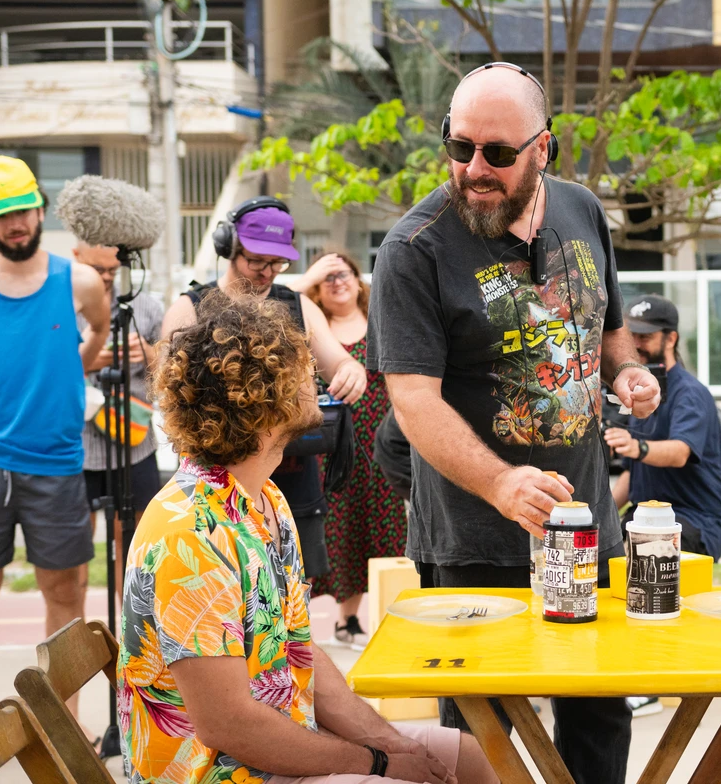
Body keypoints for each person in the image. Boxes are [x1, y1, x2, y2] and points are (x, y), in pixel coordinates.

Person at [367, 61, 660, 784]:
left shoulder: (583, 209)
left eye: (497, 153)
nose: (473, 168)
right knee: (479, 737)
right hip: (472, 540)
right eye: (458, 146)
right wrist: (501, 484)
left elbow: (609, 326)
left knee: (597, 714)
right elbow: (414, 402)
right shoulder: (413, 249)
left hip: (589, 524)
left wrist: (627, 371)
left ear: (543, 148)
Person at [120, 289, 497, 784]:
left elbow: (298, 651)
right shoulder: (189, 534)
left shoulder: (264, 499)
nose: (314, 377)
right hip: (221, 772)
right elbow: (229, 726)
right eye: (300, 370)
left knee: (464, 756)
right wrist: (377, 763)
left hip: (277, 743)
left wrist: (390, 743)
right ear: (262, 398)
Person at [161, 200, 368, 581]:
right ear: (229, 247)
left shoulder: (297, 305)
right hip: (218, 477)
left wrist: (351, 370)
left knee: (293, 597)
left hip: (292, 476)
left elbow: (340, 360)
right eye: (256, 261)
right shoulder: (189, 309)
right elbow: (172, 401)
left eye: (278, 263)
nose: (267, 272)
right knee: (222, 589)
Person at [0, 157, 109, 721]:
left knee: (65, 599)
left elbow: (99, 330)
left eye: (21, 210)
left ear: (39, 209)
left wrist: (72, 372)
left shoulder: (81, 280)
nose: (14, 224)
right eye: (2, 216)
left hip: (57, 462)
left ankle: (62, 728)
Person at [288, 250, 407, 650]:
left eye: (345, 274)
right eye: (328, 278)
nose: (338, 282)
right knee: (344, 530)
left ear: (359, 281)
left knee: (389, 528)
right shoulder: (311, 329)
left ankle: (395, 615)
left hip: (383, 443)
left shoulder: (383, 321)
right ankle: (347, 619)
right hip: (333, 449)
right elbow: (274, 306)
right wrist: (305, 282)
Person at [605, 293, 721, 560]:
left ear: (671, 339)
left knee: (643, 555)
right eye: (632, 336)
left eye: (645, 337)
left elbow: (680, 452)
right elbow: (631, 474)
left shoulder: (690, 394)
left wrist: (636, 446)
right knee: (597, 551)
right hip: (644, 518)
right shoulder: (642, 388)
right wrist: (599, 516)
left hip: (694, 520)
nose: (636, 345)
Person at [74, 240, 164, 597]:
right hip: (73, 444)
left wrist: (151, 353)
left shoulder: (144, 307)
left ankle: (129, 644)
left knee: (135, 553)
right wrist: (83, 359)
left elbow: (173, 374)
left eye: (113, 270)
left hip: (134, 442)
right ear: (76, 255)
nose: (107, 278)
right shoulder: (60, 305)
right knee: (73, 553)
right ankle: (75, 646)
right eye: (98, 270)